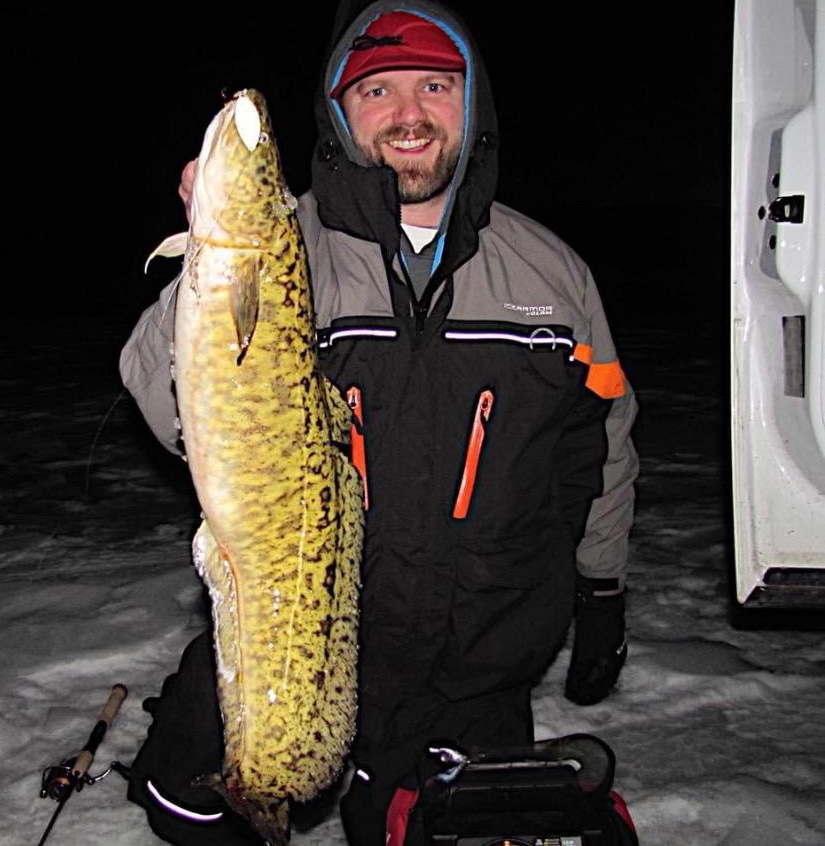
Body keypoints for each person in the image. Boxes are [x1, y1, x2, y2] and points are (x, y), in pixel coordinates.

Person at [120, 2, 638, 844]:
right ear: (337, 114)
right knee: (192, 808)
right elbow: (163, 393)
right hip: (297, 637)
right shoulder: (290, 256)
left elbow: (601, 446)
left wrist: (601, 585)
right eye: (376, 92)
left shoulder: (551, 274)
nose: (407, 114)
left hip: (479, 661)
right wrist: (217, 255)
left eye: (435, 85)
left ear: (473, 105)